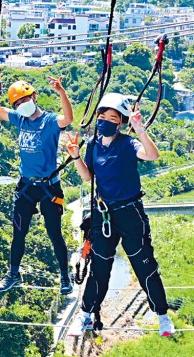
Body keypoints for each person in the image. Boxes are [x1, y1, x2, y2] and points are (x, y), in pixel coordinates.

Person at [66, 92, 175, 337]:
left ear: (121, 123)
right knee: (99, 267)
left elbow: (152, 155)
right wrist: (75, 156)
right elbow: (87, 177)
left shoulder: (128, 144)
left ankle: (162, 316)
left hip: (129, 212)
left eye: (112, 118)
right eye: (102, 116)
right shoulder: (93, 144)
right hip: (103, 213)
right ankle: (85, 315)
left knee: (143, 263)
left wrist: (139, 128)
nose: (105, 121)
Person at [0, 66, 74, 294]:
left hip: (49, 187)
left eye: (24, 100)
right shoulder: (20, 120)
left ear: (34, 96)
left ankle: (65, 277)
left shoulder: (50, 121)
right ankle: (13, 274)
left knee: (54, 233)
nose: (21, 105)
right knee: (18, 233)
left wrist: (61, 92)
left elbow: (68, 118)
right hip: (26, 186)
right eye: (17, 103)